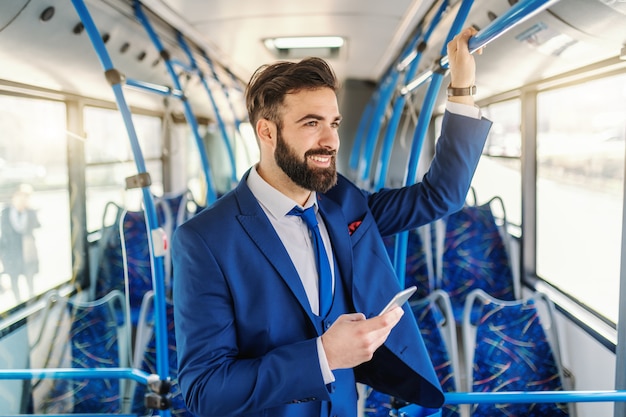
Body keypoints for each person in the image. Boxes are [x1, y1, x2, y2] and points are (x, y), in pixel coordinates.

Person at [172, 27, 491, 417]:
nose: (331, 140)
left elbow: (440, 195)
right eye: (311, 124)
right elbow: (205, 391)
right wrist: (322, 355)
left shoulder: (344, 203)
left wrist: (462, 87)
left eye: (334, 123)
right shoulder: (205, 239)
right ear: (267, 131)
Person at [0, 184, 40, 301]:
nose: (22, 200)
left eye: (25, 198)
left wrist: (31, 211)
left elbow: (38, 225)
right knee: (14, 279)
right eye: (20, 197)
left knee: (29, 279)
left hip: (27, 252)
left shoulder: (30, 213)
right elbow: (3, 234)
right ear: (14, 197)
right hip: (11, 253)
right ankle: (18, 303)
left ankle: (31, 303)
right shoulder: (6, 213)